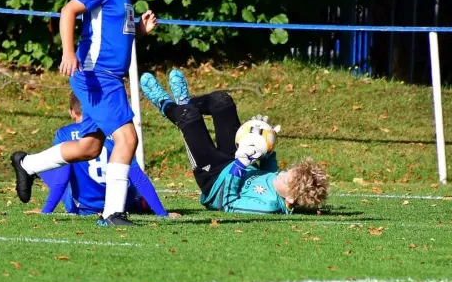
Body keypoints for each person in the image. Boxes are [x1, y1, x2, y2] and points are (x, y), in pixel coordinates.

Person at [10, 0, 157, 226]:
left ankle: (27, 164)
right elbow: (68, 11)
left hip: (104, 77)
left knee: (90, 147)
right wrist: (67, 52)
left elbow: (114, 36)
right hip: (98, 76)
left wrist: (140, 31)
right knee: (127, 139)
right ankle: (112, 213)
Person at [139, 69, 329, 214]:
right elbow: (270, 172)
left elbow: (227, 204)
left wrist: (239, 165)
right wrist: (265, 140)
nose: (282, 174)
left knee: (189, 118)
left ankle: (165, 104)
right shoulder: (281, 185)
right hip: (239, 162)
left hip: (215, 179)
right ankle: (185, 101)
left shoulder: (269, 205)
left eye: (286, 179)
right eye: (288, 172)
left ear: (289, 199)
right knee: (222, 102)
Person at [36, 92, 180, 218]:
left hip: (87, 208)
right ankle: (139, 202)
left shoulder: (64, 134)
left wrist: (46, 211)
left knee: (48, 166)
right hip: (121, 205)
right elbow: (138, 177)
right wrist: (163, 214)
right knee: (128, 176)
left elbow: (62, 178)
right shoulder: (117, 132)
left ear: (71, 112)